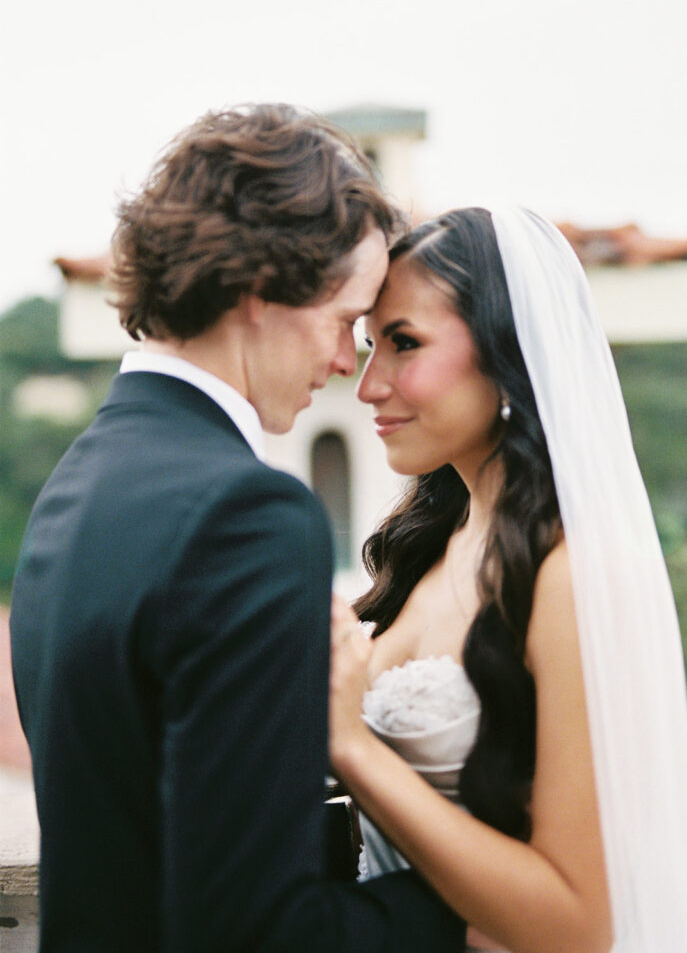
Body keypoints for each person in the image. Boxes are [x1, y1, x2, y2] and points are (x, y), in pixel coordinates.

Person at [9, 104, 467, 952]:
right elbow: (257, 929)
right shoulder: (244, 516)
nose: (344, 364)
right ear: (262, 291)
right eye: (342, 323)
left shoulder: (79, 482)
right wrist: (467, 914)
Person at [328, 207, 687, 953]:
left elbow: (577, 925)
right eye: (369, 347)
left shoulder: (573, 570)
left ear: (508, 354)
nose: (368, 386)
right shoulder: (432, 542)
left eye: (402, 344)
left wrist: (351, 749)